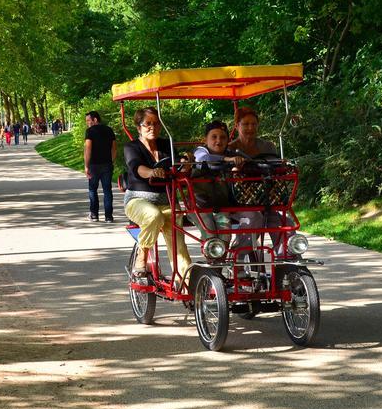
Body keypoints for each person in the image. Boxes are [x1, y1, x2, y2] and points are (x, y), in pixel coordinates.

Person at [123, 107, 193, 284]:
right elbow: (137, 168)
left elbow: (178, 164)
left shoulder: (165, 144)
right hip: (137, 200)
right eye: (147, 124)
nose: (152, 127)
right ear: (139, 127)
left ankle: (186, 283)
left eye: (155, 123)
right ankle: (143, 253)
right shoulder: (131, 147)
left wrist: (185, 163)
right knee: (154, 216)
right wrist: (152, 172)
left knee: (178, 244)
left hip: (167, 201)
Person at [193, 120, 264, 261]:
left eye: (223, 137)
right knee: (211, 233)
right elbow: (204, 160)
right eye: (214, 137)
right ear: (205, 139)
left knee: (255, 218)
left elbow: (247, 165)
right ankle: (214, 271)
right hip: (200, 205)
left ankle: (237, 254)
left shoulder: (232, 154)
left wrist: (239, 168)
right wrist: (228, 160)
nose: (218, 141)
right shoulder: (200, 152)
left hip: (226, 204)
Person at [230, 106, 292, 252]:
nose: (250, 128)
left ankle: (287, 258)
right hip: (239, 201)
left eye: (254, 124)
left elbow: (276, 170)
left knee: (285, 223)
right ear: (237, 125)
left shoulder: (268, 147)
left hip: (265, 197)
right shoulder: (231, 149)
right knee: (254, 217)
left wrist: (283, 165)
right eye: (245, 124)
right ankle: (238, 256)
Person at [83, 110, 117, 222]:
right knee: (107, 190)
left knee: (93, 189)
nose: (87, 123)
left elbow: (88, 149)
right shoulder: (109, 130)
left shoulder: (90, 131)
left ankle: (94, 215)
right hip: (107, 164)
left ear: (95, 119)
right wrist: (111, 161)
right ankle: (108, 217)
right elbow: (114, 148)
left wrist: (86, 166)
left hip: (94, 165)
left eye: (89, 120)